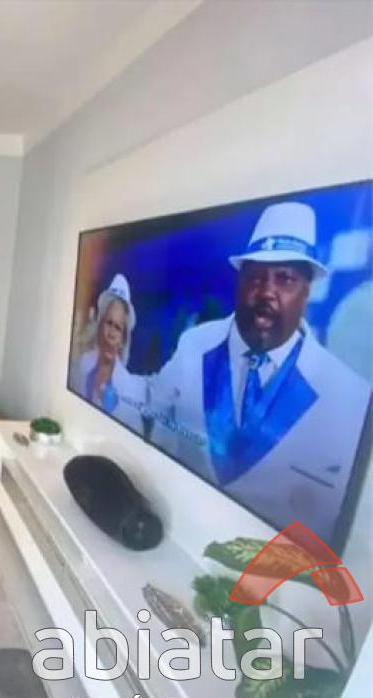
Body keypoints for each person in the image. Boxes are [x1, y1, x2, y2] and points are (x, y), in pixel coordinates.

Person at [149, 202, 371, 542]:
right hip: (175, 529)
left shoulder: (350, 396)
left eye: (285, 279)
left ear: (307, 290)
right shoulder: (194, 344)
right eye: (255, 277)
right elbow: (157, 431)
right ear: (239, 283)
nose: (267, 291)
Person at [72, 274, 147, 434]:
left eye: (118, 328)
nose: (111, 333)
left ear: (123, 339)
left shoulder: (130, 391)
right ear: (100, 325)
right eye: (109, 323)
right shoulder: (80, 365)